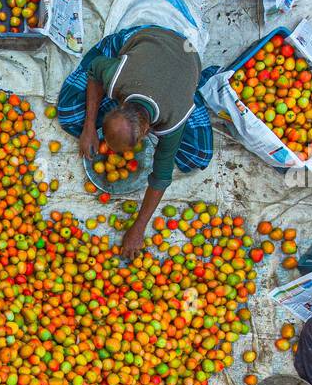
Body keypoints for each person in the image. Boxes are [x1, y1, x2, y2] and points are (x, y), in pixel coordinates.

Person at [56, 25, 218, 258]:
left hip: (187, 54)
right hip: (150, 44)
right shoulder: (118, 76)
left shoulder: (171, 120)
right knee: (71, 114)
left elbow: (161, 177)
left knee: (198, 156)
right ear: (120, 105)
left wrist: (138, 227)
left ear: (147, 133)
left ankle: (193, 92)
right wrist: (89, 126)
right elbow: (94, 68)